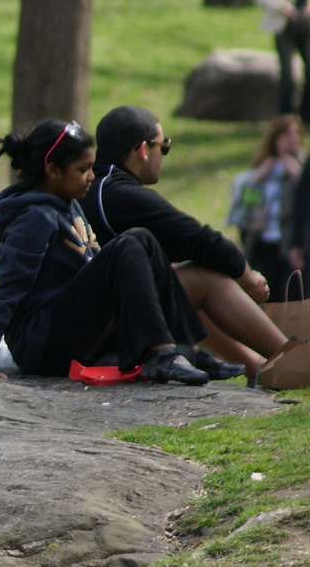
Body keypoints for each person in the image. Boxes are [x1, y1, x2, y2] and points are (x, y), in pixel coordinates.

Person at [0, 119, 212, 385]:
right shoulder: (33, 219)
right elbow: (5, 288)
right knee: (129, 244)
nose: (92, 176)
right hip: (40, 346)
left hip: (71, 331)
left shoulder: (68, 205)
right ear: (53, 171)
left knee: (143, 240)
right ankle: (163, 354)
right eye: (82, 169)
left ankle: (183, 349)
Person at [82, 105, 287, 382]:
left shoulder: (98, 186)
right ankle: (289, 360)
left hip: (95, 315)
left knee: (179, 276)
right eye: (163, 147)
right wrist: (248, 277)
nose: (163, 155)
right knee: (205, 279)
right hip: (104, 325)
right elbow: (202, 240)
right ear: (143, 150)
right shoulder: (116, 194)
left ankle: (256, 366)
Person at [233, 115, 305, 301]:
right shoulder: (262, 169)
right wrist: (256, 179)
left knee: (292, 294)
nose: (291, 141)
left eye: (295, 135)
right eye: (286, 136)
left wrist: (299, 178)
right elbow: (244, 209)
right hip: (263, 243)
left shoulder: (304, 168)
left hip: (292, 244)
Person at [256, 0, 310, 121]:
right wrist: (283, 7)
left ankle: (306, 114)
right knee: (287, 73)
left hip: (306, 25)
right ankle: (285, 116)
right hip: (285, 26)